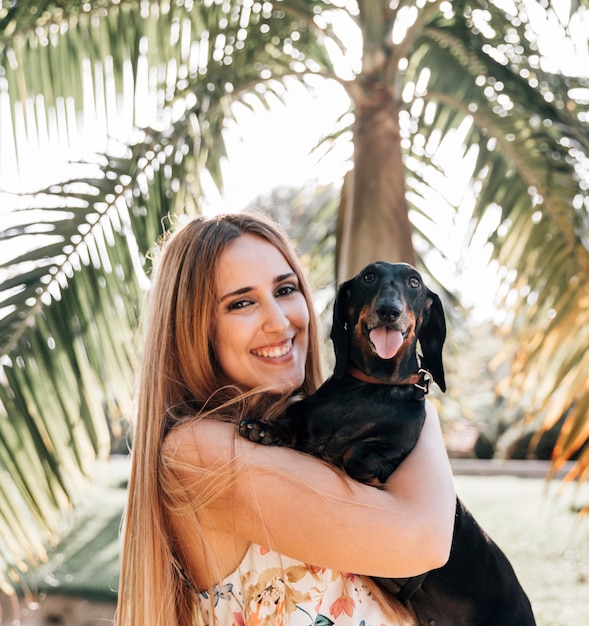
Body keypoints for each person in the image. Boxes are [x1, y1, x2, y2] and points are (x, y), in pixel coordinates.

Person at [115, 211, 456, 626]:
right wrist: (413, 397)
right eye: (241, 303)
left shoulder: (301, 438)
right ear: (194, 330)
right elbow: (425, 540)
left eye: (286, 289)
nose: (279, 322)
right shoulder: (199, 453)